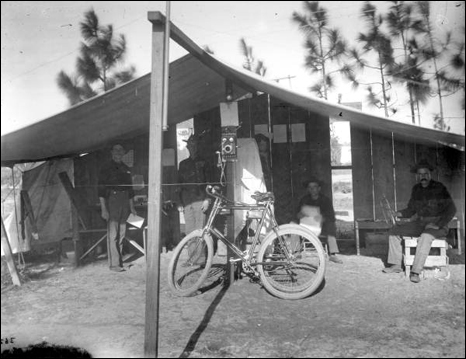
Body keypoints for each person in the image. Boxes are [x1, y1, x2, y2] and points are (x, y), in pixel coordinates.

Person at [383, 159, 456, 283]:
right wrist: (398, 213)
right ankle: (396, 265)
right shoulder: (416, 189)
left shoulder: (439, 188)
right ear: (417, 176)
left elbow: (452, 209)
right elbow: (411, 209)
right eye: (420, 174)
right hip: (420, 223)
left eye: (426, 174)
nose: (423, 177)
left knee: (425, 237)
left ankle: (415, 271)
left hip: (438, 225)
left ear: (430, 174)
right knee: (394, 231)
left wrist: (438, 225)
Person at [98, 143, 137, 272]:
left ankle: (119, 262)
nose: (118, 152)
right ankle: (114, 264)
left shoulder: (126, 168)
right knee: (113, 233)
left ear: (124, 152)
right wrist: (104, 209)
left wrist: (132, 208)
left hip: (124, 201)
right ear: (111, 152)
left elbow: (130, 190)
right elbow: (101, 191)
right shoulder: (105, 168)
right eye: (116, 150)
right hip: (112, 201)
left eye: (121, 150)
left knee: (122, 232)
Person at [295, 177, 343, 264]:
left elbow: (331, 216)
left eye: (314, 187)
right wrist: (301, 215)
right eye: (310, 187)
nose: (312, 189)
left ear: (319, 188)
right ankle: (296, 252)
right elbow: (297, 214)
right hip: (306, 225)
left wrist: (321, 218)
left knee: (330, 225)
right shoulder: (304, 200)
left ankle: (332, 254)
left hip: (321, 226)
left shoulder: (325, 200)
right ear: (307, 189)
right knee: (292, 224)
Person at [177, 133, 213, 235]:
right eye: (190, 145)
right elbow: (179, 184)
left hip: (200, 200)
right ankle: (191, 252)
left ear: (198, 146)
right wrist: (179, 202)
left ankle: (200, 252)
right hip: (187, 201)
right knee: (189, 232)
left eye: (195, 145)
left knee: (200, 231)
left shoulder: (205, 163)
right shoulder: (183, 164)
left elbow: (209, 183)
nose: (192, 148)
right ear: (187, 147)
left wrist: (207, 200)